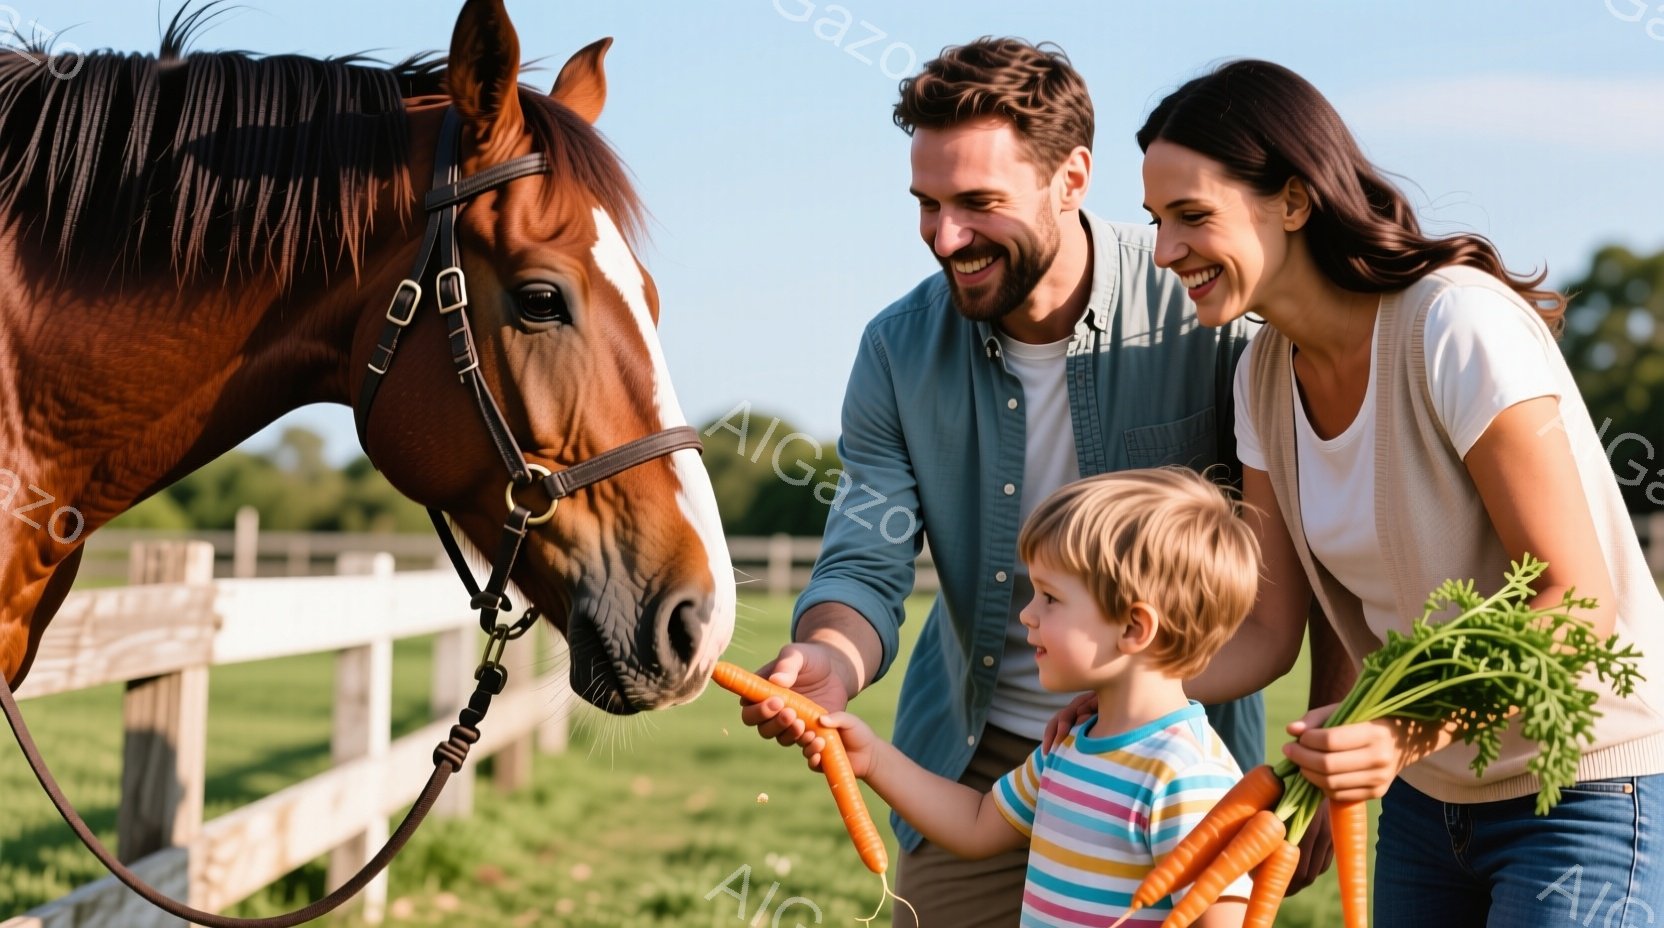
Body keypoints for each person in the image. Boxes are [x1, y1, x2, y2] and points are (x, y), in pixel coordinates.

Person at [739, 38, 1302, 926]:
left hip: (1165, 750)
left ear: (1070, 178)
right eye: (927, 204)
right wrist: (830, 661)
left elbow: (1295, 570)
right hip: (977, 755)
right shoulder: (896, 351)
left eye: (978, 203)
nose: (945, 237)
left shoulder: (1206, 316)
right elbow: (866, 558)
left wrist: (1134, 707)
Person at [1124, 59, 1664, 927]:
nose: (1164, 251)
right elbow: (1267, 629)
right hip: (1426, 806)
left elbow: (1576, 601)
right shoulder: (1262, 378)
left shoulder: (1454, 323)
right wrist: (1129, 679)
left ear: (1293, 201)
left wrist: (1398, 734)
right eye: (1157, 222)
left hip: (1584, 788)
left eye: (1192, 215)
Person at [794, 469, 1259, 927]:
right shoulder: (1072, 744)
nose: (1027, 614)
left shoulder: (1187, 775)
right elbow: (976, 824)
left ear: (1134, 627)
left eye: (1050, 598)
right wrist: (873, 758)